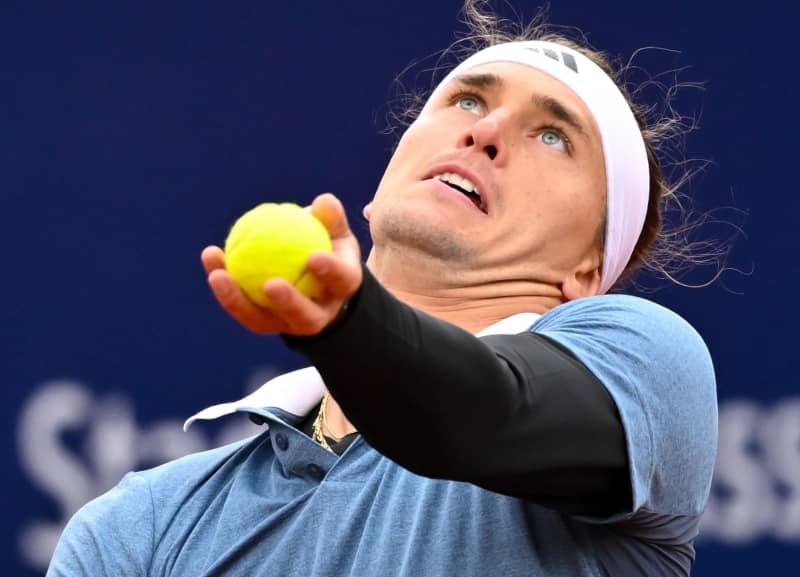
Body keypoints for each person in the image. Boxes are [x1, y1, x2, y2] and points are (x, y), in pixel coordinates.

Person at [46, 1, 718, 575]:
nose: (482, 132)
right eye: (467, 99)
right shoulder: (140, 531)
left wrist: (350, 324)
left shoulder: (652, 366)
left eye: (551, 136)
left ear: (587, 269)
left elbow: (488, 413)